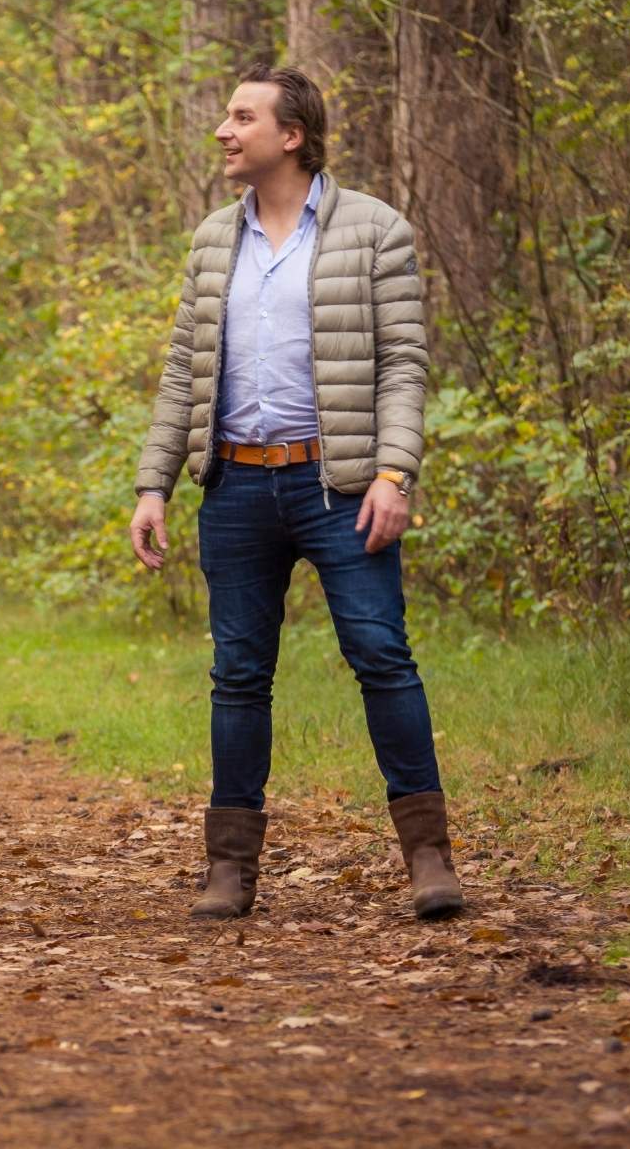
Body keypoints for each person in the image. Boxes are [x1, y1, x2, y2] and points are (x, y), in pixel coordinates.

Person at [128, 63, 464, 921]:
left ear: (293, 135)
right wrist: (152, 485)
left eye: (241, 117)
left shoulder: (376, 230)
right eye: (224, 115)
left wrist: (395, 473)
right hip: (235, 486)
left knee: (381, 656)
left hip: (341, 486)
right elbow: (181, 374)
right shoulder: (213, 239)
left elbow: (404, 366)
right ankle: (230, 869)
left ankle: (429, 857)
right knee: (238, 675)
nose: (222, 131)